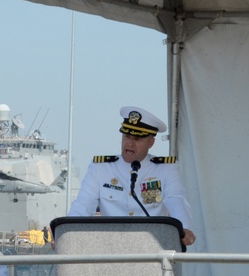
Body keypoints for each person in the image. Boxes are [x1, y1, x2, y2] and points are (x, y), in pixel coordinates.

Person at [67, 106, 196, 247]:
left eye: (137, 138)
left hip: (152, 247)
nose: (129, 143)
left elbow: (176, 199)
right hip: (111, 249)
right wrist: (66, 234)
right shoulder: (101, 168)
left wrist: (183, 228)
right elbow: (83, 205)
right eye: (126, 136)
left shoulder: (165, 169)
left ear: (151, 143)